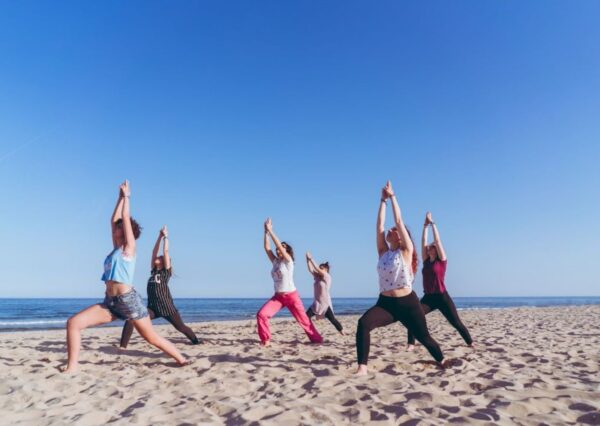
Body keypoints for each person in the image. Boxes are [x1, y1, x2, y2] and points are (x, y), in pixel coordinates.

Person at [63, 181, 188, 373]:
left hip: (129, 302)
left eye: (120, 228)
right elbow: (113, 220)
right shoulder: (115, 248)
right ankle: (72, 368)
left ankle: (181, 359)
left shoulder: (129, 249)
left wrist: (127, 197)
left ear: (128, 231)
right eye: (117, 228)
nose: (116, 229)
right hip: (111, 302)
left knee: (151, 338)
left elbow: (124, 217)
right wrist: (119, 198)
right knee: (73, 324)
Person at [355, 181, 445, 375]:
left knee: (425, 338)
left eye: (395, 231)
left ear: (401, 237)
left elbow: (398, 220)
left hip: (408, 303)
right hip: (385, 303)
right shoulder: (383, 252)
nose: (390, 230)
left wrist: (393, 197)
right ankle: (362, 367)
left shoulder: (405, 251)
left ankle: (442, 360)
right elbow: (379, 225)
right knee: (363, 324)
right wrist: (382, 200)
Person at [119, 225, 200, 348]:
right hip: (153, 308)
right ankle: (122, 347)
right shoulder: (153, 272)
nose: (157, 257)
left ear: (163, 262)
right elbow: (153, 252)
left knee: (181, 327)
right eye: (157, 257)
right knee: (132, 318)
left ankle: (196, 341)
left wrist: (166, 237)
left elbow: (165, 251)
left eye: (160, 258)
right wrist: (159, 236)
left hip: (167, 307)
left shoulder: (165, 273)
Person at [407, 212, 473, 350]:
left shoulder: (442, 261)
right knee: (413, 316)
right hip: (428, 298)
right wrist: (425, 226)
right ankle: (411, 344)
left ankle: (470, 343)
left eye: (431, 247)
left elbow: (437, 240)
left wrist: (432, 224)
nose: (428, 247)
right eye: (428, 247)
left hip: (442, 297)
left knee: (456, 322)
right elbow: (423, 241)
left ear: (436, 250)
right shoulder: (426, 261)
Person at [256, 218, 323, 346]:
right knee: (261, 314)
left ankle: (317, 340)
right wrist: (266, 232)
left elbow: (278, 247)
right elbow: (267, 247)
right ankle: (266, 340)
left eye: (283, 248)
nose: (279, 249)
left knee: (304, 321)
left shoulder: (289, 262)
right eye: (279, 248)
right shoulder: (276, 262)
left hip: (292, 296)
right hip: (278, 297)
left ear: (287, 251)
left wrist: (271, 230)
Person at [305, 252, 344, 334]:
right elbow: (311, 269)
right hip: (316, 304)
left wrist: (311, 258)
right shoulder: (317, 277)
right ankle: (312, 332)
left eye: (321, 268)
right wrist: (307, 260)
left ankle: (342, 331)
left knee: (332, 319)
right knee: (305, 317)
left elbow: (316, 268)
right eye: (320, 268)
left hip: (325, 304)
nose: (319, 269)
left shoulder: (327, 277)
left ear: (326, 270)